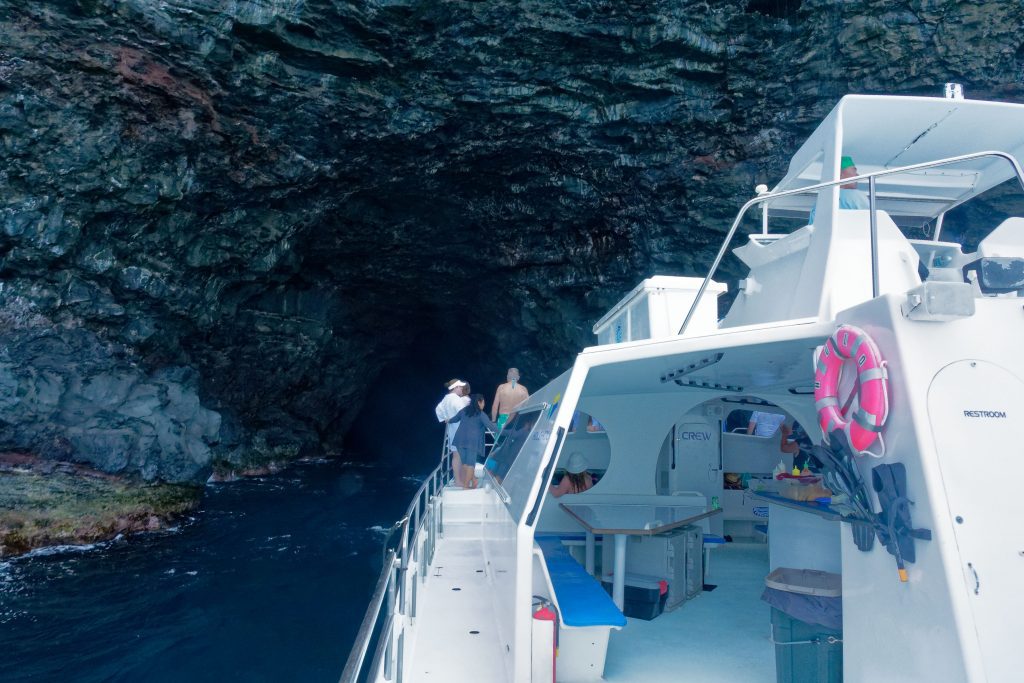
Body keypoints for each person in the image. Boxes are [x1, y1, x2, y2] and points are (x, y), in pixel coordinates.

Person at [449, 394, 496, 489]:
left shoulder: (464, 411)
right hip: (472, 442)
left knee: (465, 463)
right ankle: (466, 486)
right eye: (483, 402)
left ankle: (474, 480)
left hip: (459, 441)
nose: (483, 405)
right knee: (470, 464)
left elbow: (454, 419)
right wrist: (505, 431)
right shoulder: (481, 414)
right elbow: (490, 426)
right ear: (479, 402)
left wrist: (448, 420)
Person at [808, 155, 870, 224]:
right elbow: (870, 221)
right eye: (854, 170)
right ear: (840, 174)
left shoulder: (820, 203)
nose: (857, 175)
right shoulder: (856, 196)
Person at [435, 379, 470, 485]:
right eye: (460, 387)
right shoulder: (456, 399)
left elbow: (438, 409)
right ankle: (461, 480)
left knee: (456, 456)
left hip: (452, 430)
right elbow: (464, 413)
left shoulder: (446, 399)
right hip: (461, 430)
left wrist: (445, 418)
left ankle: (458, 480)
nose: (462, 389)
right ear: (455, 388)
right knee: (463, 456)